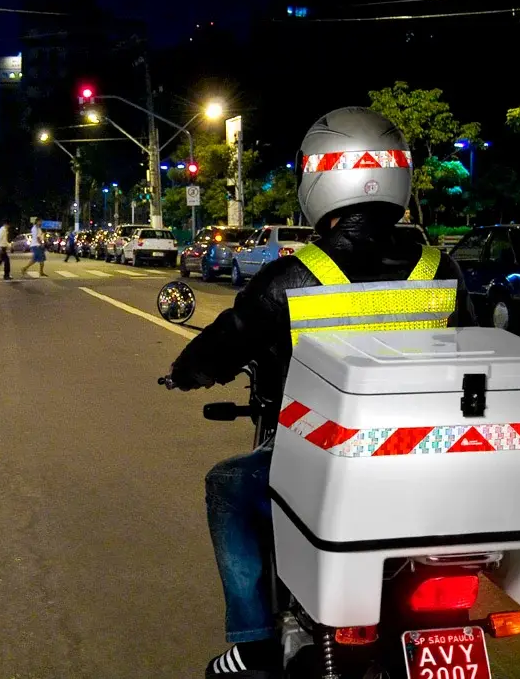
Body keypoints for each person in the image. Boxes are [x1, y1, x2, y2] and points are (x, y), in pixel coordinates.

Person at [168, 107, 475, 679]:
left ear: (318, 179)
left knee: (228, 487)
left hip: (324, 469)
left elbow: (226, 342)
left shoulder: (291, 278)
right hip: (429, 469)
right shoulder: (444, 270)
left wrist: (186, 372)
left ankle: (254, 641)